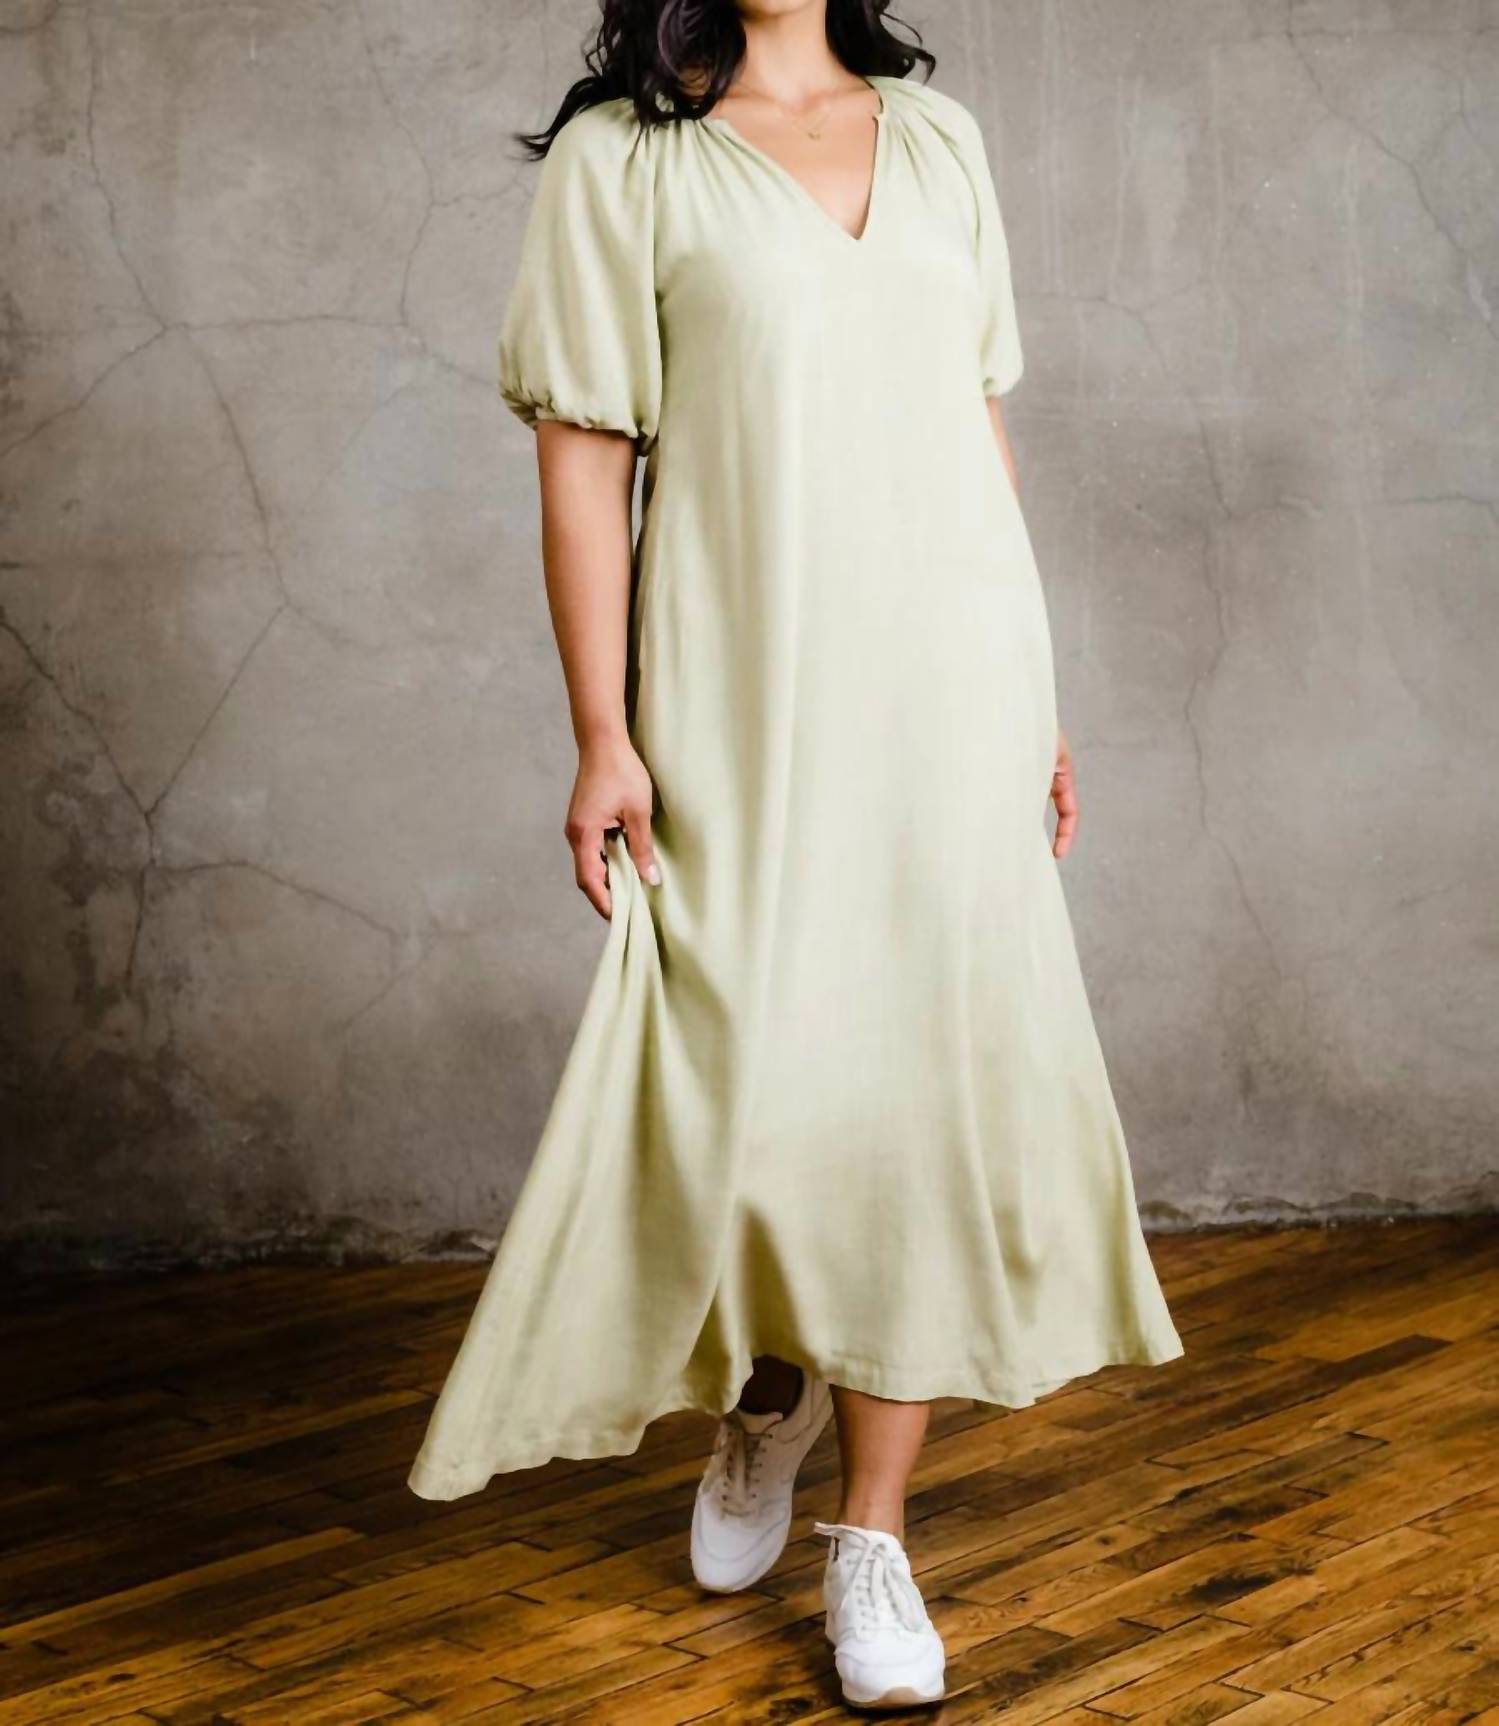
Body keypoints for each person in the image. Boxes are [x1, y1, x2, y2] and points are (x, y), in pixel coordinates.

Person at [407, 0, 1183, 1707]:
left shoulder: (942, 142)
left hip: (954, 687)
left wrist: (1037, 692)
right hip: (738, 693)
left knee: (923, 1087)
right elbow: (582, 465)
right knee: (761, 1078)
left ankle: (874, 1532)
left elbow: (974, 421)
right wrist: (602, 733)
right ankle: (772, 1392)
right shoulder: (626, 163)